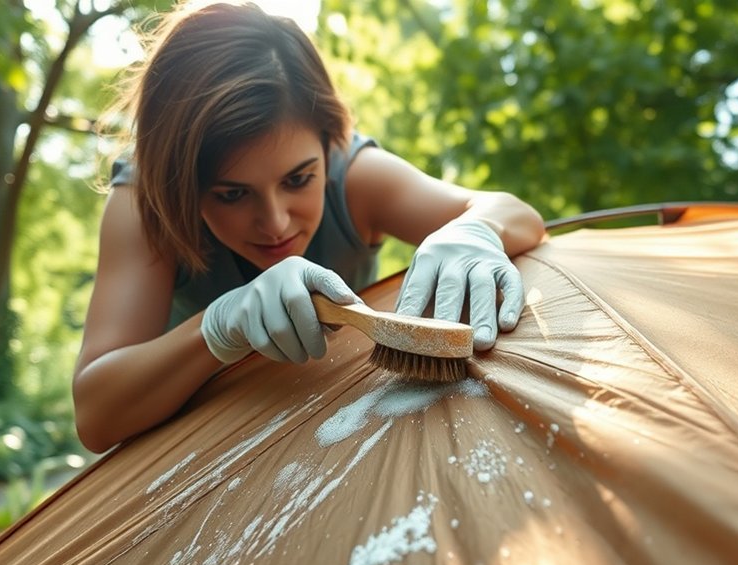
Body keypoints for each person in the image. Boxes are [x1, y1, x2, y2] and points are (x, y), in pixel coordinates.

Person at [72, 1, 546, 454]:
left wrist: (472, 230)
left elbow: (518, 215)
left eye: (298, 179)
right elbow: (96, 414)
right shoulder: (145, 204)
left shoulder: (355, 178)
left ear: (329, 142)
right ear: (180, 183)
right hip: (203, 447)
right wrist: (218, 328)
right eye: (231, 194)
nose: (275, 223)